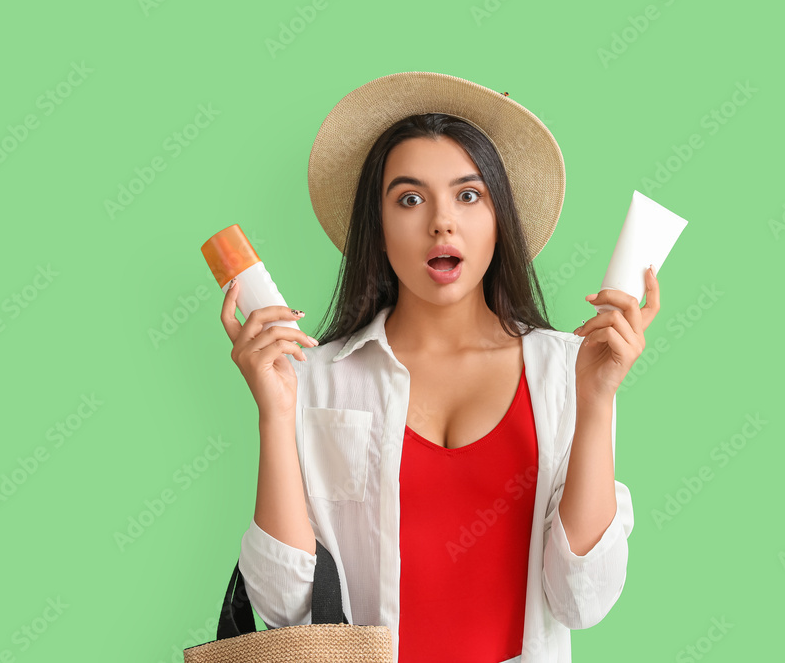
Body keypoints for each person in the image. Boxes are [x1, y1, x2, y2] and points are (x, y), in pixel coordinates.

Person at [220, 72, 661, 663]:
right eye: (409, 198)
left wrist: (598, 398)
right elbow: (285, 607)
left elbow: (583, 601)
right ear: (377, 227)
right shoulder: (313, 378)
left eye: (468, 195)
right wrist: (275, 413)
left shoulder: (567, 371)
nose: (441, 222)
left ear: (499, 218)